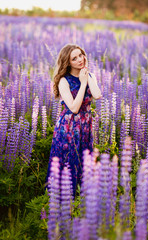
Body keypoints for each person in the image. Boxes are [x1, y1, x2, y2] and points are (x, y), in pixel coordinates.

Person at [46, 43, 102, 197]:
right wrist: (83, 84)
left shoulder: (90, 76)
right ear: (68, 62)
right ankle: (61, 198)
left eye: (81, 55)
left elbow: (97, 95)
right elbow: (74, 108)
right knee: (68, 161)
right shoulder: (64, 81)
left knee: (84, 159)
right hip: (69, 126)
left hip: (85, 125)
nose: (80, 60)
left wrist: (87, 77)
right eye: (74, 58)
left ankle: (81, 198)